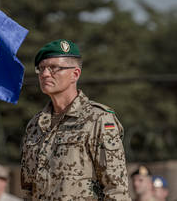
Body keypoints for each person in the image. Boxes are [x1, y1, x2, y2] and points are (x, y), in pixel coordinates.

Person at [20, 39, 131, 200]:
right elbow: (28, 191)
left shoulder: (98, 119)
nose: (44, 74)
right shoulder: (35, 125)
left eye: (53, 68)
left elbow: (116, 190)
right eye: (41, 68)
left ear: (75, 74)